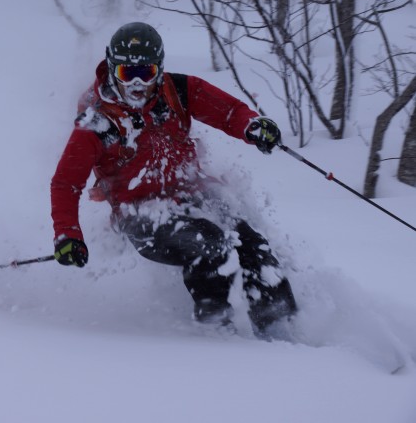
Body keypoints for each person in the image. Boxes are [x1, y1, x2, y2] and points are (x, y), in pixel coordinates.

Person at [50, 22, 297, 334]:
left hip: (192, 190)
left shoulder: (177, 90)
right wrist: (68, 234)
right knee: (211, 245)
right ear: (112, 70)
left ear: (160, 69)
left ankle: (281, 328)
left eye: (147, 72)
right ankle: (216, 332)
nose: (138, 84)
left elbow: (229, 112)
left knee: (253, 245)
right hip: (139, 211)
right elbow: (65, 182)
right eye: (128, 74)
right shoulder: (96, 122)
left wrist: (252, 126)